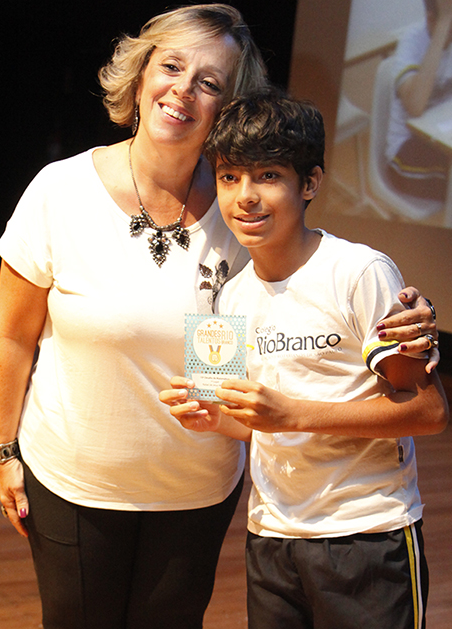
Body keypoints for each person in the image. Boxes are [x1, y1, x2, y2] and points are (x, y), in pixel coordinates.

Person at [0, 2, 438, 629]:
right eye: (171, 67)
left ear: (228, 107)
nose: (183, 90)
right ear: (141, 76)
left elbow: (306, 295)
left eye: (209, 82)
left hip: (198, 489)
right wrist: (2, 452)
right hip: (74, 482)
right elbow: (12, 339)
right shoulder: (59, 190)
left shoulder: (242, 207)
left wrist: (410, 317)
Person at [160, 88, 448, 629]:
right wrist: (213, 417)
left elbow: (428, 412)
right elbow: (256, 425)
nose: (245, 196)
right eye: (229, 177)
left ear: (310, 183)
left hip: (367, 534)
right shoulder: (229, 295)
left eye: (267, 176)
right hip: (271, 534)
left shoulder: (359, 272)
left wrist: (292, 414)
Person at [386, 0, 452, 200]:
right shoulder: (412, 42)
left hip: (442, 140)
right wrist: (444, 24)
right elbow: (415, 106)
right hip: (406, 154)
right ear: (431, 17)